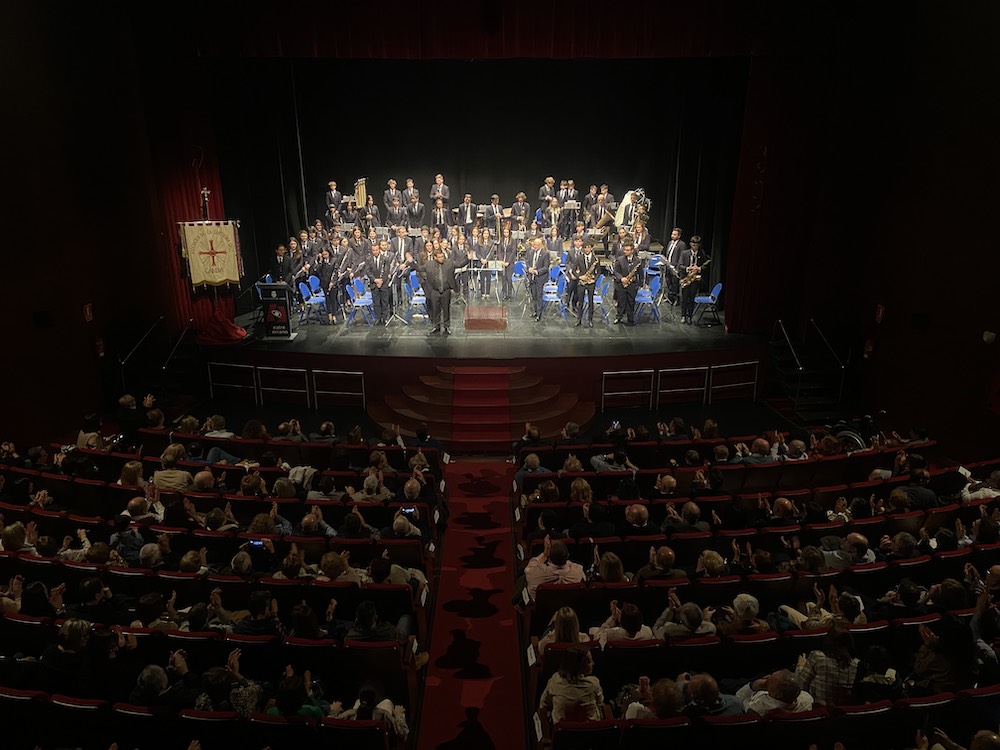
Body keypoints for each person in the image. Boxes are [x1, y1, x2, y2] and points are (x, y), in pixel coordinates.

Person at [793, 624, 859, 706]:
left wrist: (800, 666)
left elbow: (800, 686)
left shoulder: (817, 657)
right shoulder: (856, 664)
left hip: (817, 709)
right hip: (844, 713)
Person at [538, 643, 603, 723]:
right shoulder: (594, 683)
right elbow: (600, 704)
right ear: (579, 666)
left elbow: (543, 705)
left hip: (561, 733)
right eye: (589, 661)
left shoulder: (555, 680)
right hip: (590, 732)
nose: (593, 663)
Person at [419, 245, 471, 334]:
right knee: (436, 310)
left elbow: (459, 265)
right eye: (439, 257)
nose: (441, 258)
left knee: (446, 309)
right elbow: (419, 268)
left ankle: (447, 326)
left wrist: (468, 259)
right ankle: (436, 326)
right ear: (435, 257)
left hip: (446, 290)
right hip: (435, 291)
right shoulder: (429, 264)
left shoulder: (449, 262)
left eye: (442, 256)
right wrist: (411, 262)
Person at [523, 536, 585, 602]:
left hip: (543, 610)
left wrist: (544, 554)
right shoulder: (578, 572)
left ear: (549, 558)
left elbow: (528, 569)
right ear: (567, 555)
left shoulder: (535, 574)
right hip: (569, 610)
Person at [678, 234, 708, 325]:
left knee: (692, 298)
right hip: (686, 277)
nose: (695, 247)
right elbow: (680, 265)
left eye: (697, 245)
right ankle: (683, 315)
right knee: (684, 298)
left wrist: (699, 268)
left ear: (699, 245)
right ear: (690, 244)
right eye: (693, 245)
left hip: (694, 279)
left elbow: (706, 264)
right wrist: (688, 268)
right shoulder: (685, 253)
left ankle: (689, 316)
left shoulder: (701, 253)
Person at [612, 239, 641, 325]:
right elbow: (616, 271)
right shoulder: (619, 259)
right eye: (624, 250)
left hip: (632, 285)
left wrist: (641, 284)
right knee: (621, 302)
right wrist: (621, 278)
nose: (625, 252)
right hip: (621, 284)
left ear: (632, 250)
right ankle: (619, 317)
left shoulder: (637, 260)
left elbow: (640, 273)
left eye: (628, 250)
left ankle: (630, 319)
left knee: (631, 302)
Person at [573, 240, 600, 327]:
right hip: (582, 282)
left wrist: (594, 279)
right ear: (583, 248)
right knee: (580, 302)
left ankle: (590, 319)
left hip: (590, 283)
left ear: (591, 248)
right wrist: (579, 277)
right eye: (585, 248)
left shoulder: (595, 259)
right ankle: (579, 319)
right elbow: (573, 270)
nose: (587, 249)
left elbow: (599, 271)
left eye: (589, 247)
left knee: (590, 301)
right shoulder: (579, 257)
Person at [525, 237, 550, 320]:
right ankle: (535, 311)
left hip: (540, 278)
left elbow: (546, 267)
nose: (534, 246)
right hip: (532, 277)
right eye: (534, 244)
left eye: (536, 245)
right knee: (534, 296)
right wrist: (529, 268)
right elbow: (527, 262)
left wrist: (537, 271)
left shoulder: (545, 254)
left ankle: (539, 314)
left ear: (541, 245)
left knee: (539, 296)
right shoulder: (531, 252)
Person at [663, 227, 687, 305]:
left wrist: (677, 269)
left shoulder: (682, 245)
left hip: (675, 268)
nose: (672, 236)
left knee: (675, 284)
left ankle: (676, 299)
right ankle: (670, 298)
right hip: (668, 266)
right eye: (672, 234)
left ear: (679, 236)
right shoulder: (670, 243)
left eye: (674, 234)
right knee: (668, 282)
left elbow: (681, 257)